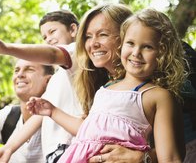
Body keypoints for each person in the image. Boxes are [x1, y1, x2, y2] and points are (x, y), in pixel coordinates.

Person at [0, 6, 160, 163]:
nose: (48, 39)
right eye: (44, 37)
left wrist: (6, 48)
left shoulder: (77, 55)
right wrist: (10, 147)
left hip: (71, 150)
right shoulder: (99, 83)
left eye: (52, 32)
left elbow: (54, 54)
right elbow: (44, 115)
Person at [27, 8, 186, 162]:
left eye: (147, 47)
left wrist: (143, 158)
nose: (136, 53)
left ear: (162, 53)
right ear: (121, 45)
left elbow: (171, 157)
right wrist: (52, 111)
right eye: (130, 43)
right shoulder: (106, 88)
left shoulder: (157, 95)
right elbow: (89, 132)